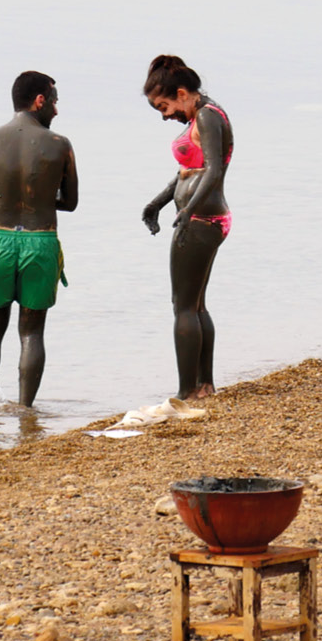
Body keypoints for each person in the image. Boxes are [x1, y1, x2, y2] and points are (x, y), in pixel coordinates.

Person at [0, 70, 78, 409]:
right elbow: (71, 202)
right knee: (31, 333)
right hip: (40, 242)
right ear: (39, 101)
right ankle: (25, 411)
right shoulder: (60, 145)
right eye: (55, 102)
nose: (57, 111)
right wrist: (41, 200)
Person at [140, 55, 232, 401]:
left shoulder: (207, 116)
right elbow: (188, 172)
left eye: (164, 106)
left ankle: (186, 392)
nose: (166, 115)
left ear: (182, 93)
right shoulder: (206, 114)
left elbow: (213, 171)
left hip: (201, 220)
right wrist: (159, 203)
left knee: (183, 307)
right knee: (196, 305)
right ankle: (204, 386)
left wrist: (188, 209)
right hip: (203, 217)